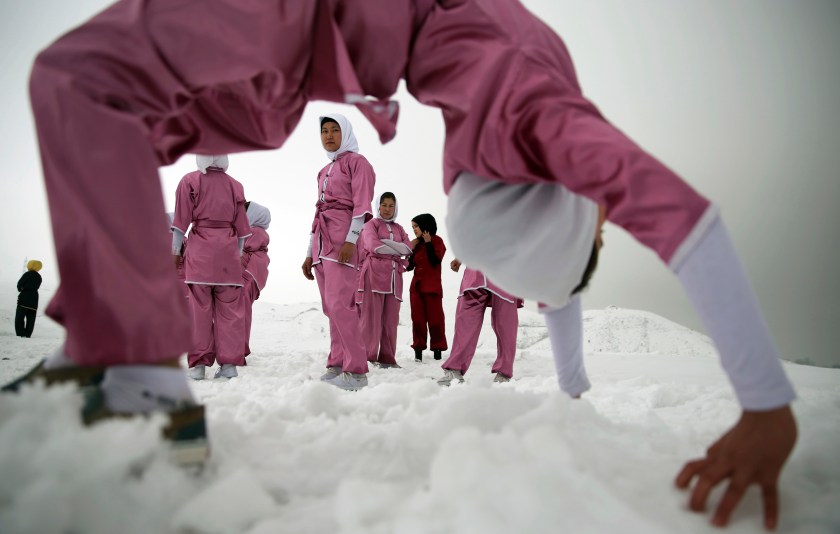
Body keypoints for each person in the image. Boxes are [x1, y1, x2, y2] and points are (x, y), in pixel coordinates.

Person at [23, 0, 796, 526]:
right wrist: (765, 402)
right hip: (324, 34)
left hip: (323, 47)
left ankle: (121, 362)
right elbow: (676, 219)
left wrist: (573, 391)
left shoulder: (507, 149)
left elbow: (556, 285)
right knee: (102, 94)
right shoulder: (538, 116)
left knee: (106, 99)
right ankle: (121, 359)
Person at [301, 114, 375, 391]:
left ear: (345, 133)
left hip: (343, 240)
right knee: (331, 307)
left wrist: (351, 240)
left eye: (334, 130)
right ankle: (337, 362)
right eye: (324, 131)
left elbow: (361, 205)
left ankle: (356, 371)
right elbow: (317, 212)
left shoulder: (358, 163)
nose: (329, 135)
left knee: (341, 304)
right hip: (322, 243)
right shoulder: (323, 170)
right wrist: (310, 252)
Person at [172, 155, 251, 381]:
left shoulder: (190, 181)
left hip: (200, 257)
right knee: (231, 313)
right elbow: (243, 231)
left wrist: (175, 252)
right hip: (228, 256)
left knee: (199, 312)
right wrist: (235, 255)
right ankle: (228, 366)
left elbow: (180, 222)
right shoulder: (235, 185)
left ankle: (198, 366)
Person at [437, 259, 523, 385]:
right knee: (465, 320)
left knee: (505, 323)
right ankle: (455, 368)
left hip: (505, 268)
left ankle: (504, 371)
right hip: (476, 268)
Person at [356, 192, 414, 368]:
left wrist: (388, 246)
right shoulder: (370, 225)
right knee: (371, 319)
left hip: (394, 279)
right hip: (373, 275)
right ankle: (368, 357)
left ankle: (388, 358)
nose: (388, 209)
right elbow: (374, 246)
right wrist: (397, 249)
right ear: (378, 206)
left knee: (390, 321)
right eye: (384, 205)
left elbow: (408, 248)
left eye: (391, 206)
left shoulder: (399, 228)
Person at [406, 214, 448, 362]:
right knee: (417, 320)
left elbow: (436, 260)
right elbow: (409, 267)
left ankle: (438, 350)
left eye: (416, 226)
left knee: (436, 320)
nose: (414, 230)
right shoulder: (417, 244)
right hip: (416, 289)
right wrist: (409, 250)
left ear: (425, 225)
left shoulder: (437, 241)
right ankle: (418, 351)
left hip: (432, 288)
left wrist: (429, 243)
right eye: (413, 227)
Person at [238, 201, 271, 358]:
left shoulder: (255, 231)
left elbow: (239, 249)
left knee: (240, 313)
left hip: (248, 277)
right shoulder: (255, 232)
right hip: (250, 276)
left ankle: (238, 349)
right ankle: (236, 348)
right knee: (240, 313)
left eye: (245, 211)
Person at [15, 260, 43, 338]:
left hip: (24, 298)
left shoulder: (27, 274)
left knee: (19, 318)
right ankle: (28, 335)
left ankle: (21, 334)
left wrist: (21, 289)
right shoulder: (39, 277)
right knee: (31, 319)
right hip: (34, 299)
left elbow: (19, 284)